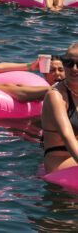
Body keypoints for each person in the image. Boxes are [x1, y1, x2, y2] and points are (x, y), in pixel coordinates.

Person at [42, 43, 78, 173]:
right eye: (69, 63)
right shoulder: (55, 96)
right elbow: (67, 136)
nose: (74, 68)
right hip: (59, 163)